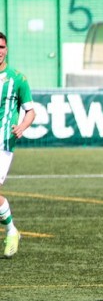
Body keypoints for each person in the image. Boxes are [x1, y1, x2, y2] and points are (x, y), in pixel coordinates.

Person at [0, 32, 36, 258]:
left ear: (7, 49)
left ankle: (11, 230)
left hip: (3, 142)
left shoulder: (17, 79)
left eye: (2, 47)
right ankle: (11, 229)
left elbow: (31, 111)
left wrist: (22, 126)